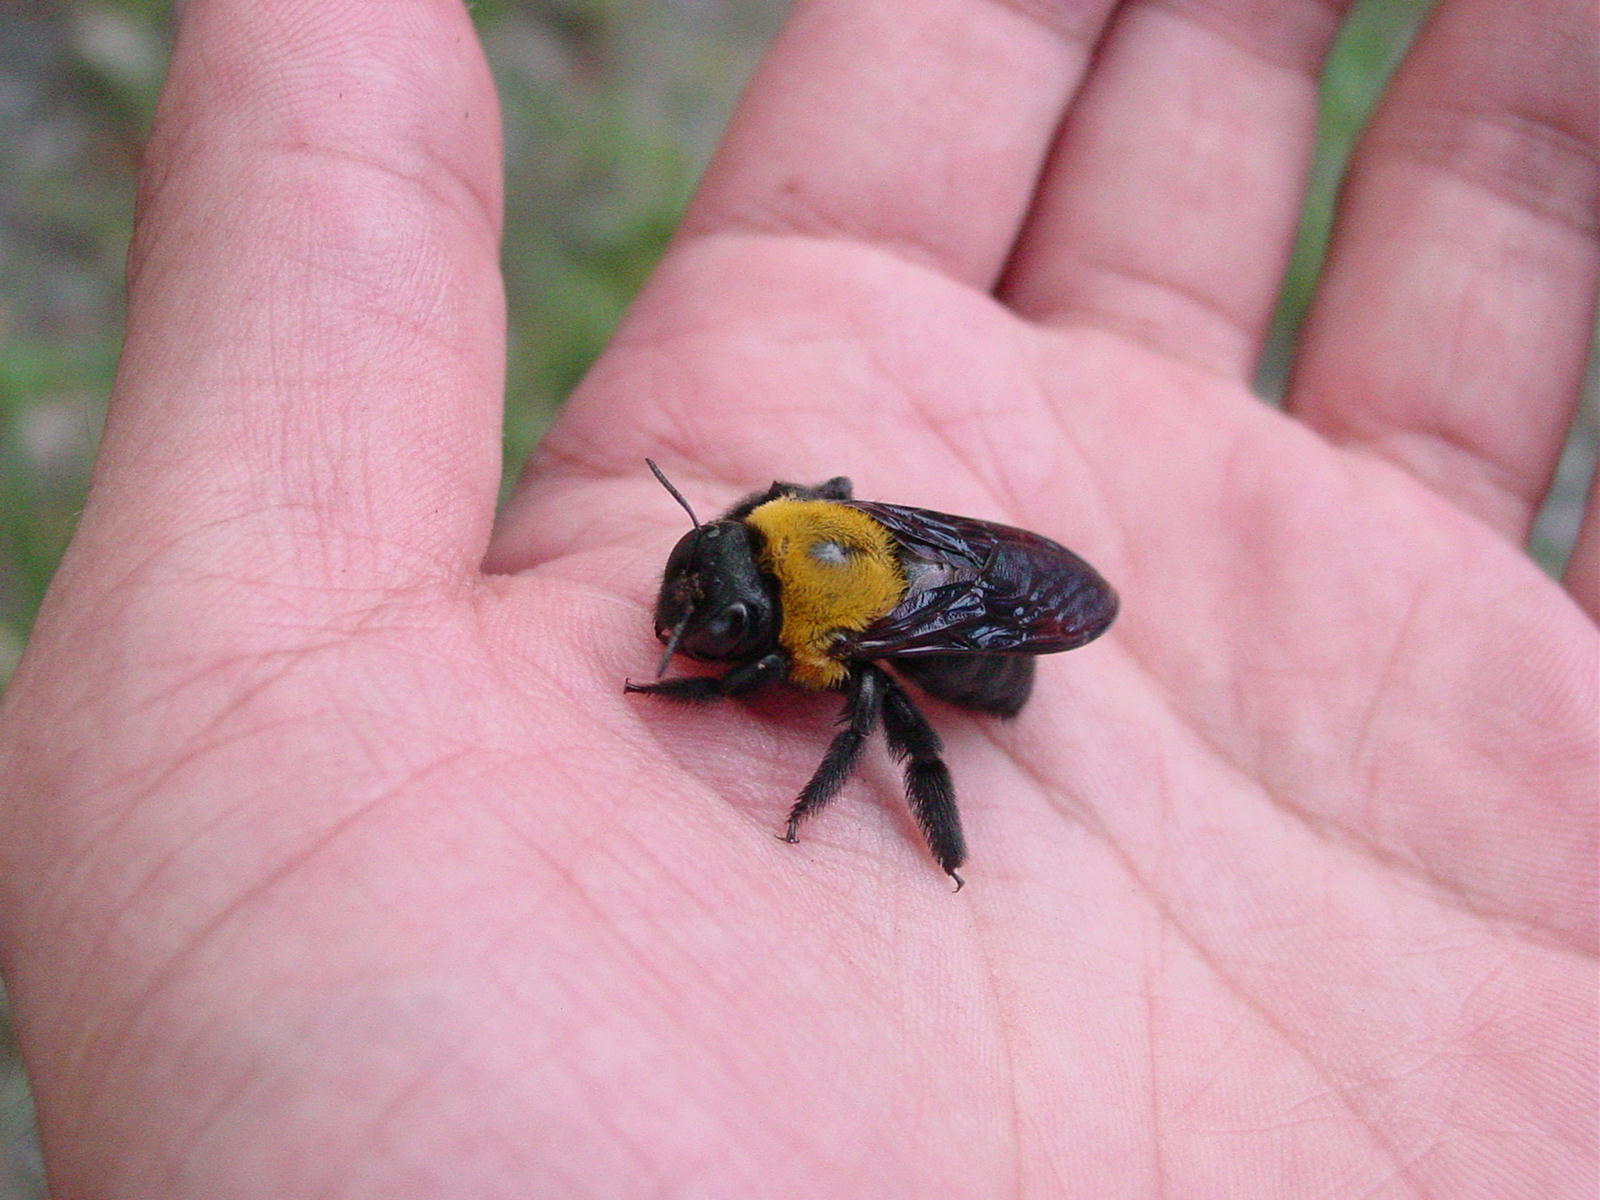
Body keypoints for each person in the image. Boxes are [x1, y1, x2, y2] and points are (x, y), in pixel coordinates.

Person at [0, 0, 1594, 1194]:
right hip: (948, 564)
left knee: (903, 738)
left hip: (983, 633)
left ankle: (950, 858)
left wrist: (784, 778)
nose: (700, 615)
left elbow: (882, 704)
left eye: (723, 625)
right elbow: (769, 538)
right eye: (711, 594)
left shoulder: (858, 639)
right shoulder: (782, 541)